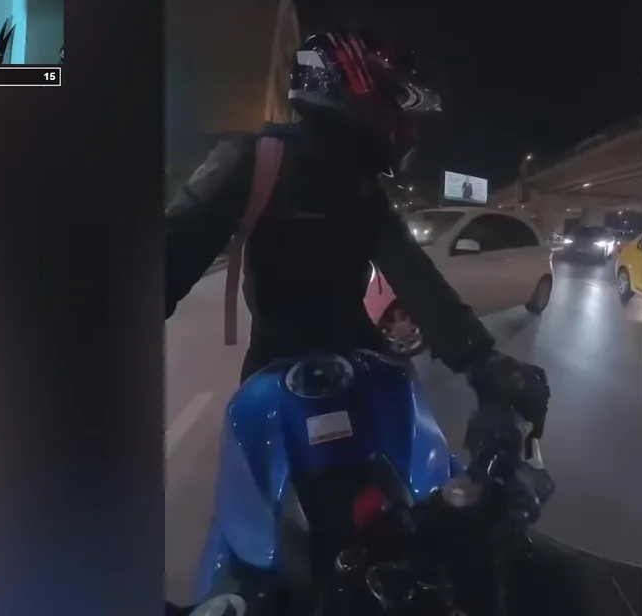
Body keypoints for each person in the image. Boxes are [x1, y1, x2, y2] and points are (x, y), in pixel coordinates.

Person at [165, 26, 550, 447]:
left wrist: (480, 359)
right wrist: (479, 360)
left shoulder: (359, 184)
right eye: (397, 100)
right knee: (254, 480)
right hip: (280, 369)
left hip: (354, 360)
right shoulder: (254, 159)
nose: (407, 122)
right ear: (359, 85)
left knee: (424, 457)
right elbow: (172, 256)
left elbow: (414, 276)